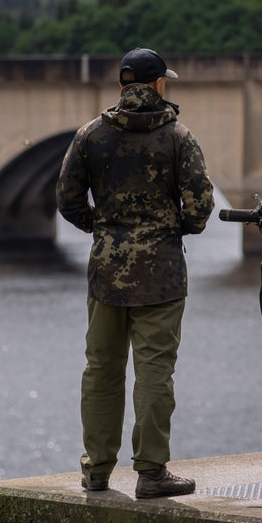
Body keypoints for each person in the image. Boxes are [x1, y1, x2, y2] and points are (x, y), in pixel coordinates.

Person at [55, 47, 215, 499]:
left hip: (106, 272)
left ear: (123, 86)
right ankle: (150, 472)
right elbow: (200, 206)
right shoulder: (178, 137)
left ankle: (97, 471)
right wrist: (172, 230)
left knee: (102, 370)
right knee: (154, 373)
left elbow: (67, 198)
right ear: (159, 84)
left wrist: (102, 229)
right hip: (162, 275)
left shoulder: (91, 135)